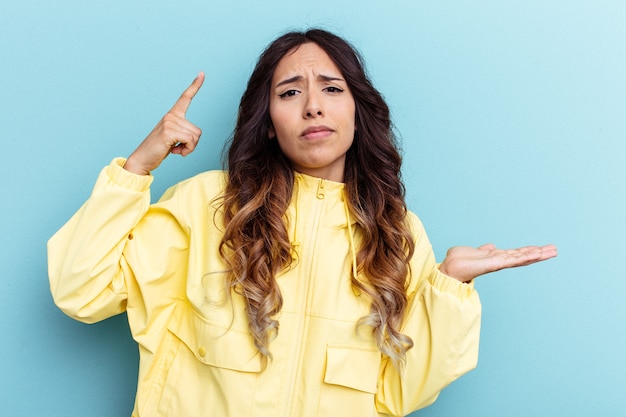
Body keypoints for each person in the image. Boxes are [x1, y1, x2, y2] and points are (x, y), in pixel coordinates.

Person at [48, 29, 557, 417]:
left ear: (358, 112)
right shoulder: (206, 205)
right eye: (290, 93)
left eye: (332, 89)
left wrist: (449, 286)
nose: (313, 105)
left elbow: (401, 392)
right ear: (268, 123)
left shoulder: (396, 235)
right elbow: (81, 292)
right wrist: (139, 166)